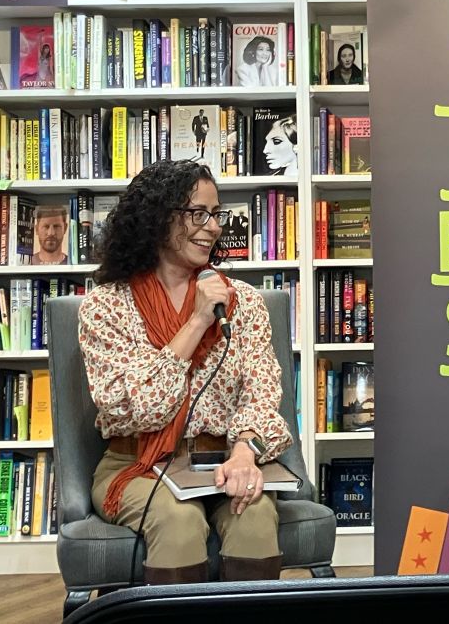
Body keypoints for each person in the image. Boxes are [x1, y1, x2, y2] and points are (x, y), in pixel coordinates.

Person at [79, 159, 292, 584]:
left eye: (216, 214)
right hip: (137, 462)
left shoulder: (243, 302)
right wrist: (196, 322)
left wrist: (244, 454)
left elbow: (262, 393)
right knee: (178, 520)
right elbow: (140, 409)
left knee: (252, 514)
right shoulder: (105, 306)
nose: (212, 227)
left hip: (222, 458)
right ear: (157, 218)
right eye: (197, 214)